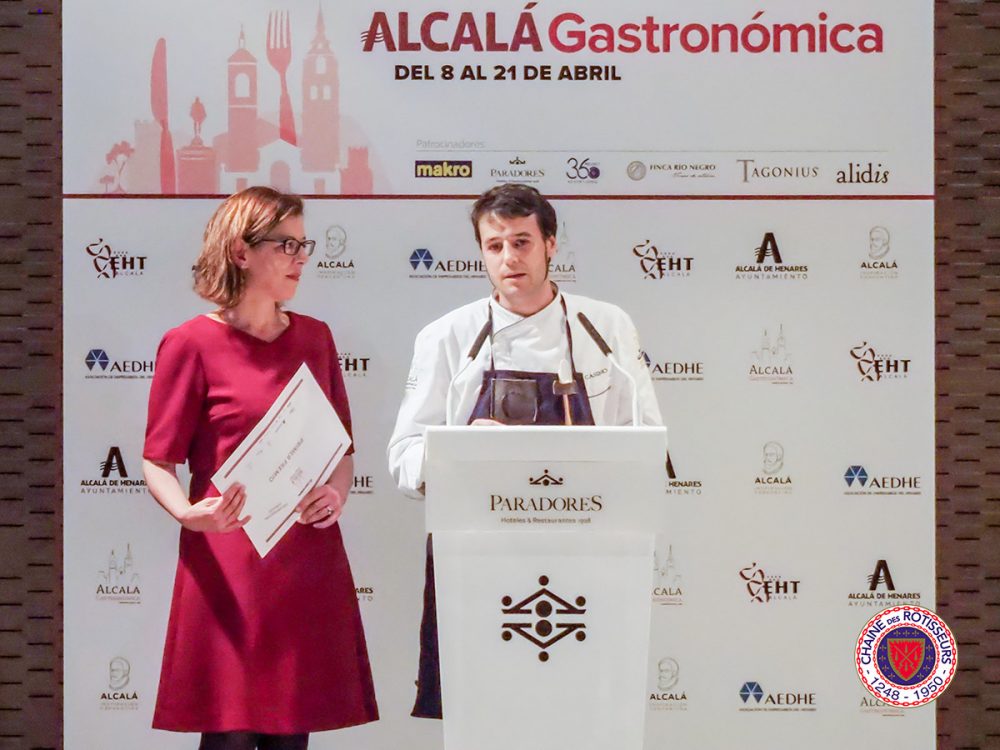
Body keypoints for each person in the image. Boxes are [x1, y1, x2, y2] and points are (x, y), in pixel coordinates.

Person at [386, 183, 663, 719]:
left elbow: (647, 438)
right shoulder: (447, 336)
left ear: (550, 244)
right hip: (477, 565)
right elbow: (404, 459)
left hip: (588, 558)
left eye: (521, 242)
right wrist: (462, 450)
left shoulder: (606, 327)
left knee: (582, 714)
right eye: (494, 246)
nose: (509, 258)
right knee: (485, 715)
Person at [142, 187, 378, 750]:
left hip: (303, 557)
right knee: (227, 733)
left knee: (291, 734)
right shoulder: (190, 342)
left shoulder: (316, 337)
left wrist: (336, 494)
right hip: (228, 559)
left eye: (304, 245)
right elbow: (157, 459)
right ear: (241, 251)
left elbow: (342, 452)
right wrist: (189, 515)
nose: (301, 258)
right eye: (286, 244)